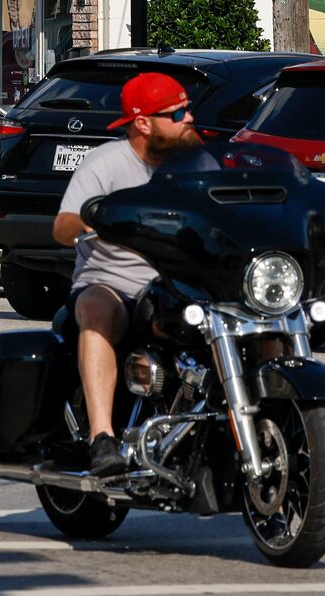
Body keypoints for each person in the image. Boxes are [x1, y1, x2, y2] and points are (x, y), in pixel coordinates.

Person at [52, 70, 211, 474]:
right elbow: (63, 226)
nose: (188, 119)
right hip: (117, 288)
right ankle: (102, 437)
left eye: (187, 110)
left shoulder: (200, 164)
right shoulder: (106, 162)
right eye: (176, 114)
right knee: (95, 306)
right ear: (143, 123)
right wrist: (93, 223)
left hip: (182, 287)